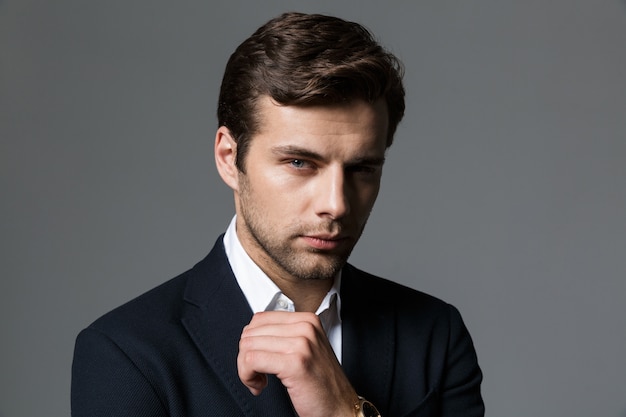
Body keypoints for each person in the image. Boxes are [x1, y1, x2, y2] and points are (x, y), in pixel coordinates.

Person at [71, 12, 484, 417]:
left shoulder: (435, 336)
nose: (337, 204)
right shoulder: (127, 354)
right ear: (229, 158)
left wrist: (343, 411)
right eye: (300, 163)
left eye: (361, 169)